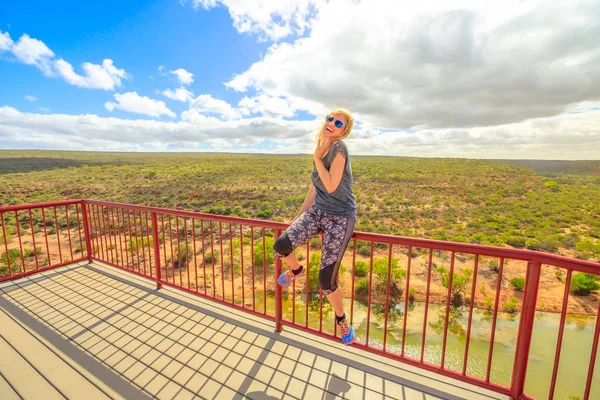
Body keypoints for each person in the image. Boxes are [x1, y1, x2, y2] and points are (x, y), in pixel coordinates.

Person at [273, 108, 357, 345]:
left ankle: (342, 319)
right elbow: (316, 188)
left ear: (344, 131)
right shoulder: (322, 146)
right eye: (330, 118)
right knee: (281, 245)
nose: (331, 123)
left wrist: (317, 159)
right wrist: (297, 219)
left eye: (338, 122)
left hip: (340, 217)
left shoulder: (339, 149)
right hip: (318, 212)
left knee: (325, 281)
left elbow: (331, 186)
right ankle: (297, 271)